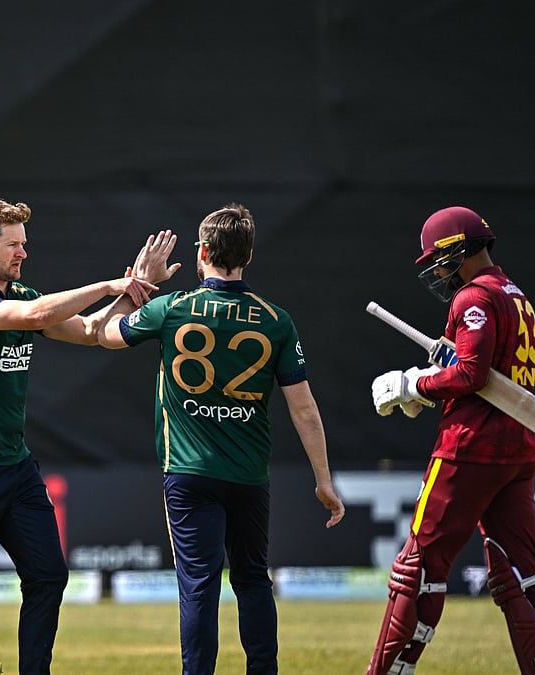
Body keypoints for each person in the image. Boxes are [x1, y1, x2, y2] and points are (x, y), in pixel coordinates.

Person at [95, 204, 345, 674]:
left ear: (203, 252)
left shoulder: (170, 308)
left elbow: (106, 333)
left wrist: (139, 286)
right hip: (249, 476)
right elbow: (304, 407)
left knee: (198, 584)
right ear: (246, 257)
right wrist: (324, 481)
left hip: (188, 474)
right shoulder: (275, 319)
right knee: (253, 578)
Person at [0, 196, 158, 674]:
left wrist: (135, 289)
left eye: (24, 244)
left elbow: (94, 331)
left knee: (49, 576)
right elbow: (33, 317)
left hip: (14, 466)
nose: (22, 253)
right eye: (12, 244)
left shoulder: (24, 293)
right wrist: (109, 282)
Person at [366, 206, 535, 675]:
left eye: (439, 258)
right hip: (519, 450)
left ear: (461, 250)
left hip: (469, 448)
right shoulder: (517, 297)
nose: (436, 270)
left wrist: (413, 386)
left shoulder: (473, 297)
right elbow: (481, 369)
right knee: (520, 572)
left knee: (417, 570)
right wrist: (432, 377)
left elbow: (472, 375)